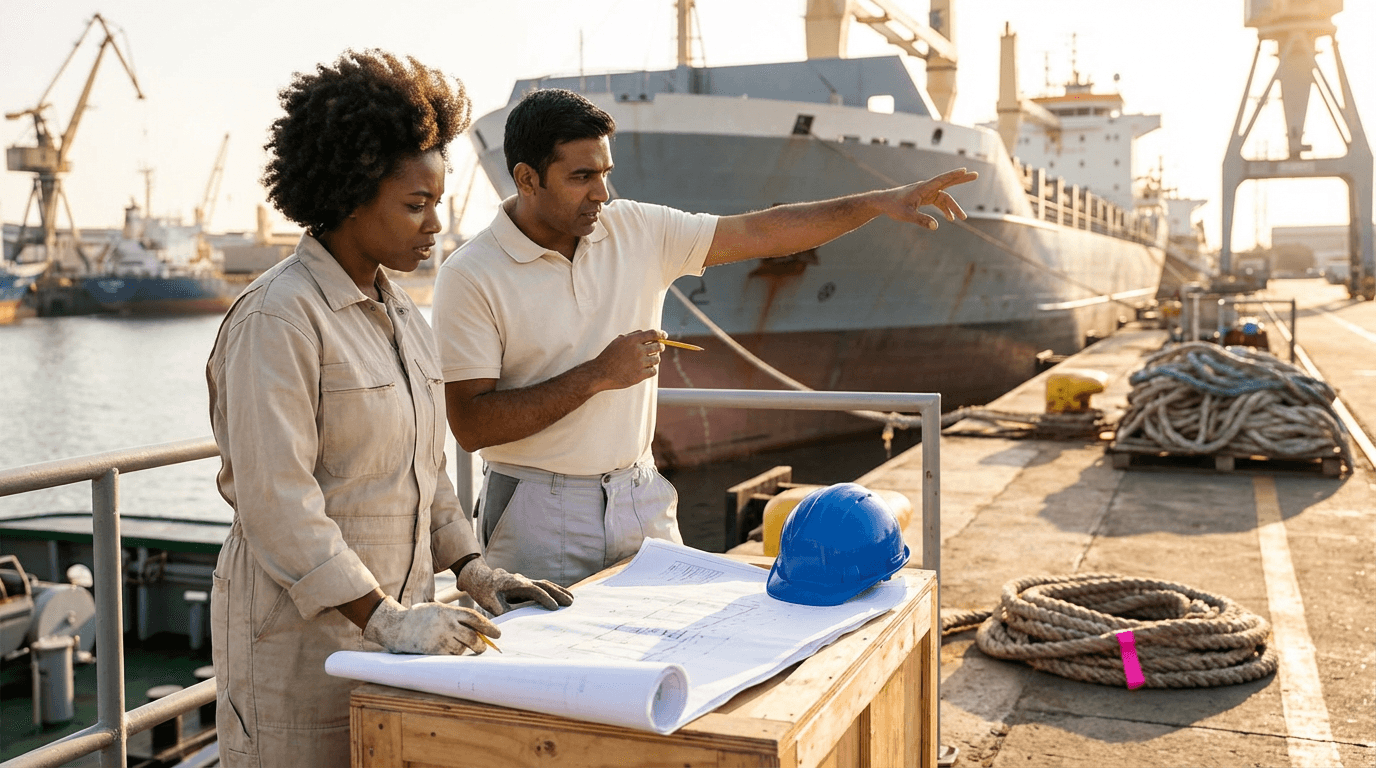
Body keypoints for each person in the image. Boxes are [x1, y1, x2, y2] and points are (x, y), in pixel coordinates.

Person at [433, 88, 977, 588]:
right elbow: (472, 425)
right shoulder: (470, 273)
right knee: (544, 684)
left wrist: (878, 203)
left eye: (605, 172)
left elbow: (763, 230)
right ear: (526, 179)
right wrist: (599, 375)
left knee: (666, 655)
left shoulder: (636, 229)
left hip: (638, 494)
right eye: (581, 177)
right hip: (533, 512)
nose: (602, 192)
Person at [206, 51, 571, 768]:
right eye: (415, 205)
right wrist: (385, 620)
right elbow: (277, 502)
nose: (435, 223)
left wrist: (473, 569)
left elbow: (425, 470)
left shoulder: (402, 314)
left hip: (403, 636)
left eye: (438, 202)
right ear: (347, 196)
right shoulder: (277, 320)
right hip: (301, 650)